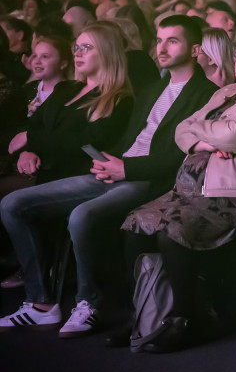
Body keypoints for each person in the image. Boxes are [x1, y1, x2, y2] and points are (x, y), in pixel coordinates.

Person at [0, 17, 217, 337]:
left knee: (80, 215)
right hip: (120, 169)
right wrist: (106, 160)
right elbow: (131, 139)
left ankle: (89, 303)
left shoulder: (206, 93)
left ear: (195, 49)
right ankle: (40, 302)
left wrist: (125, 168)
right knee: (12, 203)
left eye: (172, 41)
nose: (161, 47)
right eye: (158, 40)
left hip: (149, 181)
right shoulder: (153, 89)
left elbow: (179, 158)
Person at [118, 30, 236, 352]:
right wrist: (206, 141)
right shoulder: (228, 92)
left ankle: (187, 319)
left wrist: (212, 134)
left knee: (173, 230)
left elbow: (234, 136)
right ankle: (142, 316)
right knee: (135, 224)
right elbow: (182, 128)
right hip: (195, 191)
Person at [0, 24, 134, 330]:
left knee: (11, 203)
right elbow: (37, 127)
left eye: (87, 48)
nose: (77, 53)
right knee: (10, 202)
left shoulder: (118, 98)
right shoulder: (66, 89)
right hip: (49, 173)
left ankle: (42, 302)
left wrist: (34, 141)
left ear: (108, 53)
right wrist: (28, 147)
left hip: (85, 178)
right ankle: (40, 300)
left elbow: (85, 144)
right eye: (76, 47)